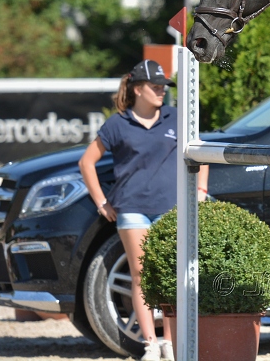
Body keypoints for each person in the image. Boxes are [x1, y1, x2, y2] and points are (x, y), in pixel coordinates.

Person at [79, 60, 209, 361]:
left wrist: (200, 191)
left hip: (172, 208)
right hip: (132, 209)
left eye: (164, 87)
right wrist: (101, 202)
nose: (162, 91)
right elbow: (86, 162)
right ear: (138, 89)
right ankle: (151, 343)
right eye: (155, 87)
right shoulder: (116, 124)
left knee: (172, 276)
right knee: (141, 275)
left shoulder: (177, 118)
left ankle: (173, 340)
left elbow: (202, 154)